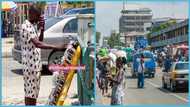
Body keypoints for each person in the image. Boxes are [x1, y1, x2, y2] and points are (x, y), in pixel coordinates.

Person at [21, 5, 66, 105]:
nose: (39, 18)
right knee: (30, 94)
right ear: (31, 14)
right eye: (38, 16)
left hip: (35, 66)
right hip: (30, 67)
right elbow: (38, 44)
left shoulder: (32, 25)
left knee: (33, 94)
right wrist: (57, 47)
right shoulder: (26, 26)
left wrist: (42, 27)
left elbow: (40, 40)